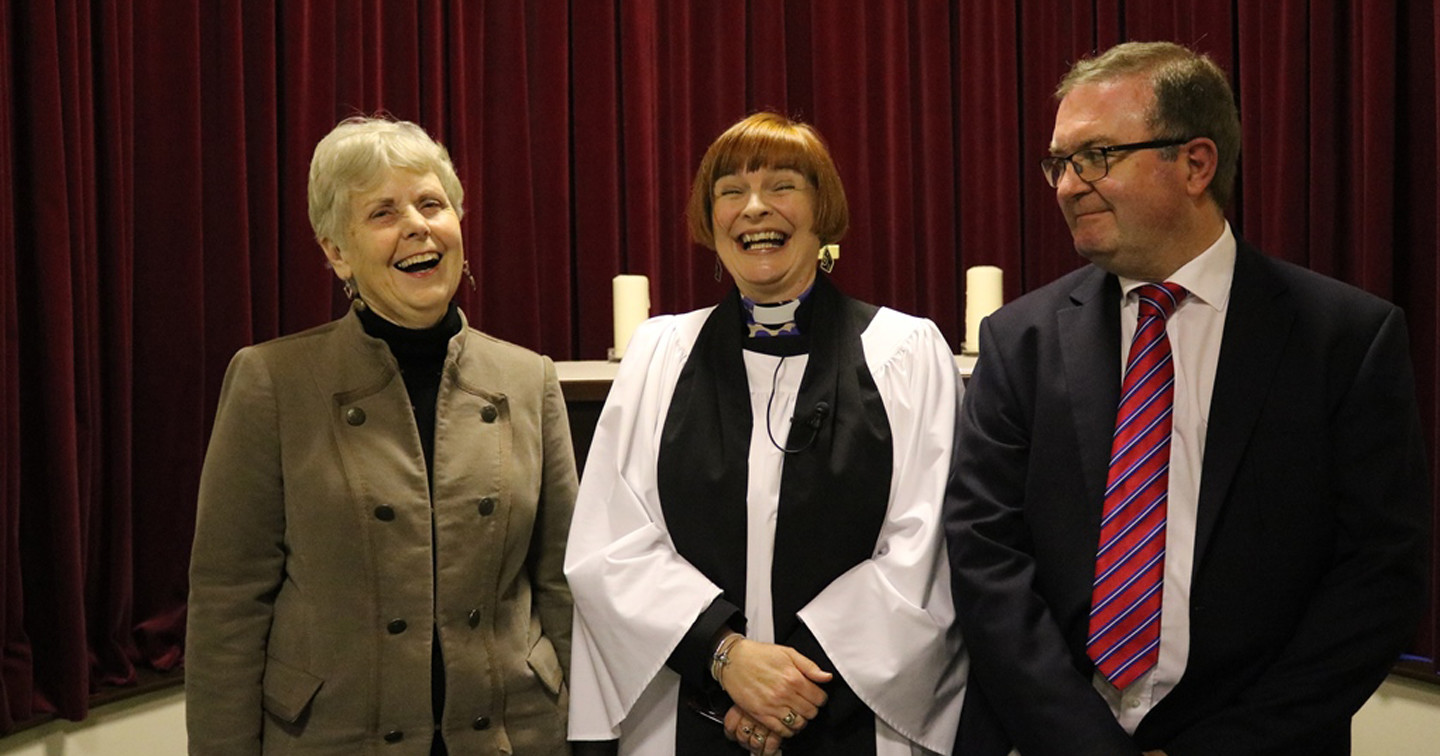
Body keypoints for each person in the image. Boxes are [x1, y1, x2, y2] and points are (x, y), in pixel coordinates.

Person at [944, 41, 1429, 756]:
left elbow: (1378, 579)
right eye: (1058, 163)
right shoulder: (1020, 340)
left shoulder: (1344, 339)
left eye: (1096, 156)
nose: (1067, 186)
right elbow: (987, 561)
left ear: (1197, 163)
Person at [565, 112, 966, 756]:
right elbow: (611, 544)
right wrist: (723, 659)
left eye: (782, 186)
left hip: (848, 713)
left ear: (821, 211)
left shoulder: (904, 352)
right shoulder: (661, 354)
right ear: (710, 220)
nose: (754, 208)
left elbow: (926, 551)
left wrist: (781, 689)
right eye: (730, 191)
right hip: (690, 708)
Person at [185, 116, 578, 754]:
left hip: (513, 733)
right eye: (382, 212)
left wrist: (586, 734)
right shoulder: (272, 382)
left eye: (431, 203)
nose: (417, 225)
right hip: (330, 735)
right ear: (336, 251)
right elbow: (229, 600)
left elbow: (562, 581)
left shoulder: (528, 378)